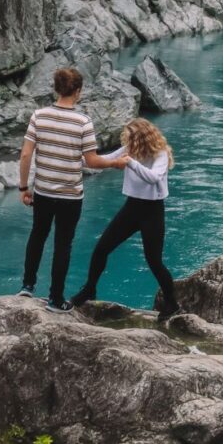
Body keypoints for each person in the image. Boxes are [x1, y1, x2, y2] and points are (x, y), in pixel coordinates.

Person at [18, 66, 116, 310]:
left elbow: (25, 155)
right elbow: (92, 161)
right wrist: (117, 162)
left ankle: (27, 287)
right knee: (63, 245)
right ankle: (55, 299)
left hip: (43, 191)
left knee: (37, 235)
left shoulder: (38, 116)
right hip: (70, 196)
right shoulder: (83, 122)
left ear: (56, 88)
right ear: (78, 92)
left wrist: (23, 187)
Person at [69, 118, 180, 319]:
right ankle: (89, 290)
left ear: (141, 138)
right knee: (101, 249)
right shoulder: (128, 149)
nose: (127, 141)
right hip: (131, 208)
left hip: (152, 211)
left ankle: (172, 303)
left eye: (130, 137)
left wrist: (131, 162)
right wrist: (77, 157)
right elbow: (104, 160)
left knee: (154, 260)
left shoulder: (160, 153)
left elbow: (154, 177)